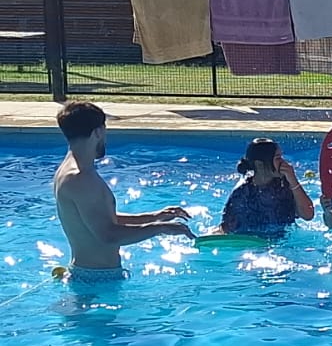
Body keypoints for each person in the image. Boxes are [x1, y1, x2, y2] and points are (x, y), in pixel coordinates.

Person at [50, 101, 192, 281]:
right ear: (98, 132)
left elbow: (100, 219)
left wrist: (155, 216)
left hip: (89, 275)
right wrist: (161, 228)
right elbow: (108, 235)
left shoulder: (68, 170)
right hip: (96, 281)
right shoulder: (81, 177)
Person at [217, 137, 314, 238]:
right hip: (252, 242)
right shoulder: (241, 193)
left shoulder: (285, 184)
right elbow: (226, 229)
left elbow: (308, 215)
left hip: (284, 240)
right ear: (259, 165)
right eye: (277, 158)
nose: (283, 162)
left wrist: (293, 180)